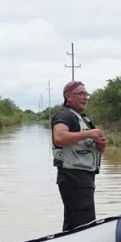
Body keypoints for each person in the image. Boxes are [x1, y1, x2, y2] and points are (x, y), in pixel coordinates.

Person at [50, 81, 107, 231]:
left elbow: (87, 147)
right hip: (72, 177)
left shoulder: (83, 119)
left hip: (83, 177)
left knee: (77, 222)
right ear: (68, 97)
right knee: (83, 224)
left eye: (86, 94)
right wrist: (89, 133)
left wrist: (100, 146)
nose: (85, 97)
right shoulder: (65, 115)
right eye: (80, 94)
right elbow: (59, 137)